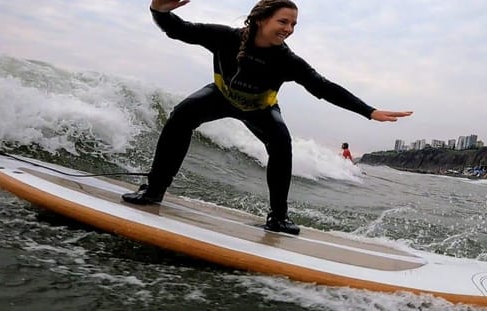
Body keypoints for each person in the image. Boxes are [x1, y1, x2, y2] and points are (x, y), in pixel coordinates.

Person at [122, 0, 413, 235]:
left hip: (260, 108)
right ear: (261, 19)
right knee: (181, 115)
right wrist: (158, 10)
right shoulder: (227, 38)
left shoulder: (287, 61)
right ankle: (154, 190)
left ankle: (278, 217)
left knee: (281, 143)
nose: (289, 29)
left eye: (294, 24)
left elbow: (323, 87)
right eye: (283, 21)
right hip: (220, 96)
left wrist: (369, 111)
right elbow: (180, 29)